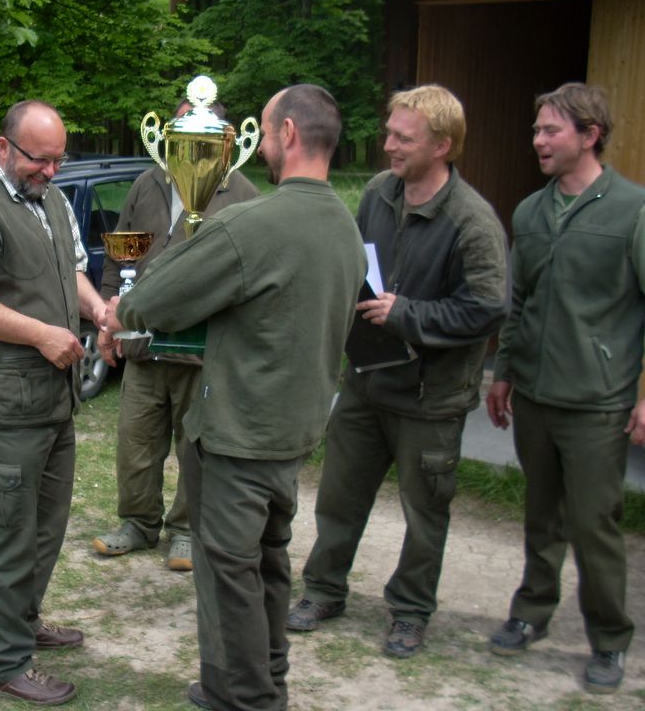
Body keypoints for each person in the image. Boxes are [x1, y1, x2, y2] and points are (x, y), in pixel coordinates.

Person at [103, 84, 366, 711]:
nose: (261, 144)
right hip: (292, 435)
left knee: (230, 576)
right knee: (268, 563)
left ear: (289, 134)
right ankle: (248, 682)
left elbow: (150, 299)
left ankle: (249, 699)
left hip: (239, 433)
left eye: (266, 131)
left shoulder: (252, 221)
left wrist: (125, 305)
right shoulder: (344, 225)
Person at [287, 84, 509, 659]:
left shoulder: (472, 221)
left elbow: (489, 307)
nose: (388, 145)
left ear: (442, 145)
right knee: (339, 497)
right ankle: (323, 591)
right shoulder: (378, 193)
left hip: (432, 399)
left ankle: (410, 613)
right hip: (367, 381)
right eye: (389, 132)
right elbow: (360, 265)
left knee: (425, 514)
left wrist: (407, 315)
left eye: (402, 138)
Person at [0, 100, 108, 706]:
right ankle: (6, 663)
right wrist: (42, 335)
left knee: (45, 528)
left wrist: (99, 311)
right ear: (6, 148)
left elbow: (74, 272)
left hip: (54, 401)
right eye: (40, 159)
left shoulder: (52, 201)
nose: (52, 171)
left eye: (60, 159)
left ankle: (24, 621)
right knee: (8, 535)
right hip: (5, 406)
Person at [485, 82, 645, 694]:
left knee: (592, 522)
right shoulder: (530, 212)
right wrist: (504, 374)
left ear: (590, 134)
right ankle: (532, 612)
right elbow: (520, 303)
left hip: (598, 401)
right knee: (541, 513)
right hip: (534, 394)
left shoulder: (632, 210)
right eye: (536, 130)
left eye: (551, 130)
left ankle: (610, 639)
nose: (538, 141)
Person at [93, 99, 259, 572]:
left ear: (223, 138)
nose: (186, 139)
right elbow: (121, 254)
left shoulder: (241, 191)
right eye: (180, 127)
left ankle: (186, 530)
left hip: (202, 352)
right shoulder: (148, 182)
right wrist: (107, 318)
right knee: (135, 443)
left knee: (195, 448)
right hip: (142, 343)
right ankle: (138, 523)